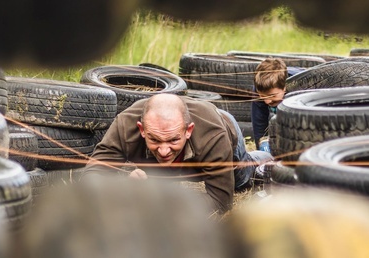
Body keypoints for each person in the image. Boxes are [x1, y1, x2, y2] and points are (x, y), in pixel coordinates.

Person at [84, 93, 273, 214]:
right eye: (155, 140)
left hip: (224, 125)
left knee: (242, 180)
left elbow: (221, 202)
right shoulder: (124, 126)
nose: (164, 151)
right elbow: (93, 175)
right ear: (142, 129)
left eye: (173, 140)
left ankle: (267, 157)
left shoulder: (213, 136)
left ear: (188, 130)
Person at [251, 58, 305, 150]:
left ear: (285, 87)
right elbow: (259, 124)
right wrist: (261, 148)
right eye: (262, 96)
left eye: (272, 96)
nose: (267, 101)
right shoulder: (259, 88)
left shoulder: (302, 85)